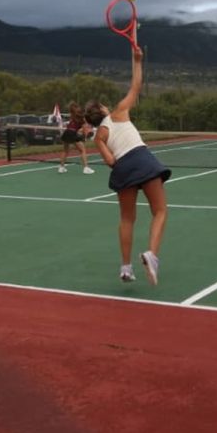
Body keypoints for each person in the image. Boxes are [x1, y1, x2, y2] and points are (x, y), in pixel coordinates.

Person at [84, 46, 170, 285]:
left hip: (123, 168)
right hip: (142, 159)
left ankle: (125, 268)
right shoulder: (119, 111)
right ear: (102, 109)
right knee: (160, 211)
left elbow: (110, 161)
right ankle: (151, 254)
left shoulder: (98, 137)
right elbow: (136, 86)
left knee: (127, 219)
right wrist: (138, 60)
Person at [57, 102, 95, 174]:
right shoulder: (81, 118)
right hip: (72, 133)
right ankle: (86, 168)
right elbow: (84, 129)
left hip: (66, 132)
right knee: (82, 150)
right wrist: (85, 136)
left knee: (65, 151)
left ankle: (61, 167)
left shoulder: (72, 116)